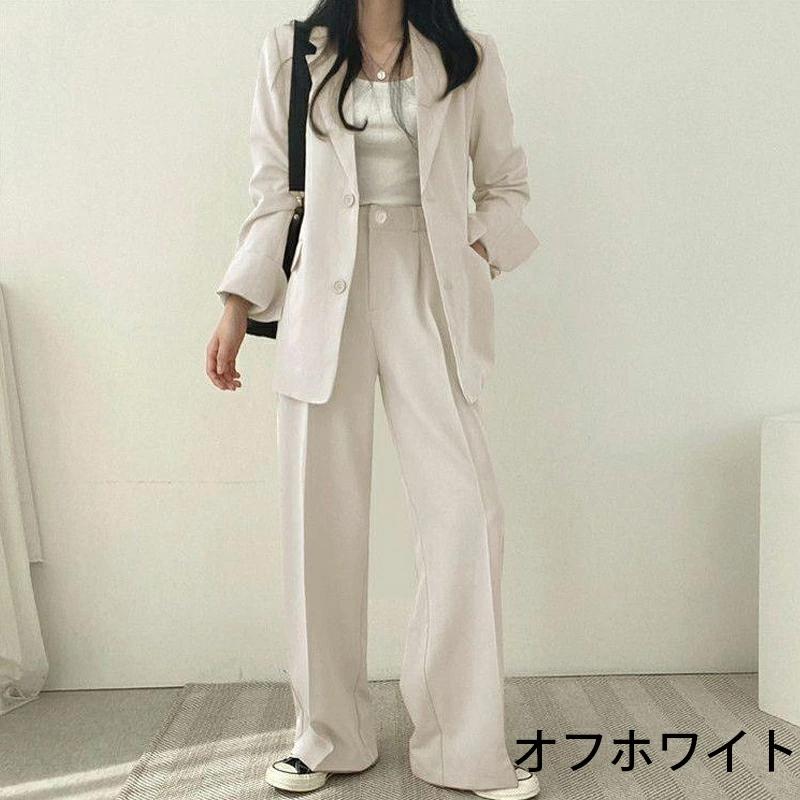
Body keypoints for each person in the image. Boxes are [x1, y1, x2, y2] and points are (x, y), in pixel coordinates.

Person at [206, 1, 539, 797]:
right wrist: (237, 302)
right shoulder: (293, 52)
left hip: (429, 285)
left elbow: (506, 186)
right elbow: (274, 192)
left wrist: (472, 247)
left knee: (468, 514)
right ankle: (327, 735)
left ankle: (463, 744)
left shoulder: (469, 56)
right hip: (324, 289)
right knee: (319, 519)